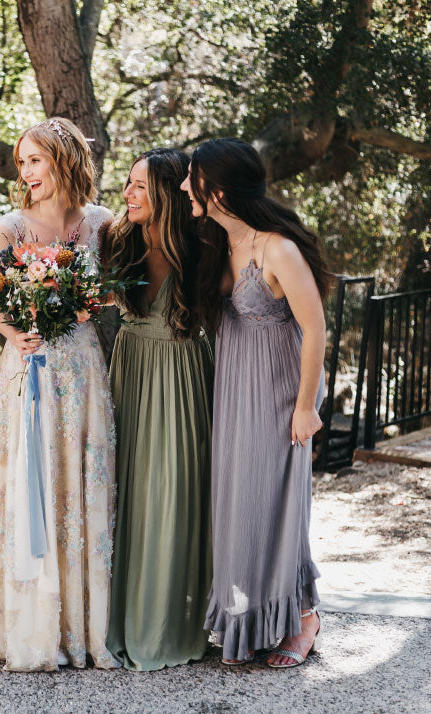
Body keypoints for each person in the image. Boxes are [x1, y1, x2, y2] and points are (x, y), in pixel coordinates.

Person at [181, 137, 329, 668]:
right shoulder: (219, 241)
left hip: (277, 390)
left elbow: (315, 329)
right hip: (234, 386)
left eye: (191, 177)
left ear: (217, 189)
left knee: (276, 504)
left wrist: (306, 406)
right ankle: (248, 622)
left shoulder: (277, 249)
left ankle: (303, 616)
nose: (182, 186)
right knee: (238, 501)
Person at [0, 117, 119, 671]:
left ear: (63, 158)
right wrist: (15, 331)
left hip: (82, 369)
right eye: (22, 163)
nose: (27, 172)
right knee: (32, 484)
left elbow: (116, 288)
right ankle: (34, 627)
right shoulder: (9, 227)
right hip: (29, 368)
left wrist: (86, 304)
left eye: (34, 160)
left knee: (81, 484)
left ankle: (86, 626)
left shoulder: (102, 224)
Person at [104, 148, 214, 670]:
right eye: (127, 184)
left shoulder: (202, 246)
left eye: (139, 187)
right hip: (130, 373)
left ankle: (169, 620)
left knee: (171, 491)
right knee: (126, 490)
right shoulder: (117, 239)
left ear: (168, 194)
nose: (127, 194)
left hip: (181, 376)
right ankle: (120, 617)